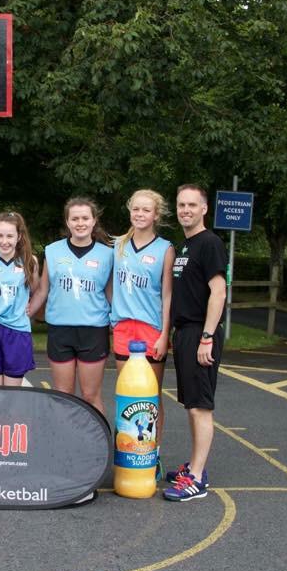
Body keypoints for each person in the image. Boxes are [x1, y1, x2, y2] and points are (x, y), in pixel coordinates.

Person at [163, 183, 227, 502]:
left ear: (204, 209)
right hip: (186, 332)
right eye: (181, 205)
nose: (185, 210)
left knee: (201, 407)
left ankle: (198, 479)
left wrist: (207, 337)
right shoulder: (185, 245)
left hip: (202, 333)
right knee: (191, 405)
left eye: (192, 205)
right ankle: (193, 465)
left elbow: (219, 292)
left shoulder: (210, 243)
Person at [28, 197, 113, 413]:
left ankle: (97, 445)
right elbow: (44, 290)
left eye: (85, 218)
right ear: (67, 222)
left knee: (90, 396)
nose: (80, 223)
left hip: (93, 330)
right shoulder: (53, 251)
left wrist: (120, 321)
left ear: (94, 221)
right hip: (60, 329)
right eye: (75, 218)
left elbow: (111, 294)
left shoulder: (107, 254)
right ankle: (65, 444)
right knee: (63, 396)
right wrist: (25, 312)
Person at [111, 189, 174, 472]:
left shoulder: (165, 249)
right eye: (136, 209)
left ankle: (153, 454)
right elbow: (109, 283)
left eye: (146, 210)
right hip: (124, 328)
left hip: (151, 330)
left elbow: (168, 296)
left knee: (151, 397)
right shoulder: (118, 245)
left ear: (156, 215)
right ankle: (127, 454)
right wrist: (115, 314)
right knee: (127, 396)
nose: (140, 214)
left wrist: (164, 334)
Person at [0, 211, 38, 386]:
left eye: (10, 236)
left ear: (19, 236)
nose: (4, 241)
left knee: (12, 394)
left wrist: (29, 306)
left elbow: (35, 291)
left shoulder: (29, 261)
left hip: (17, 330)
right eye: (0, 235)